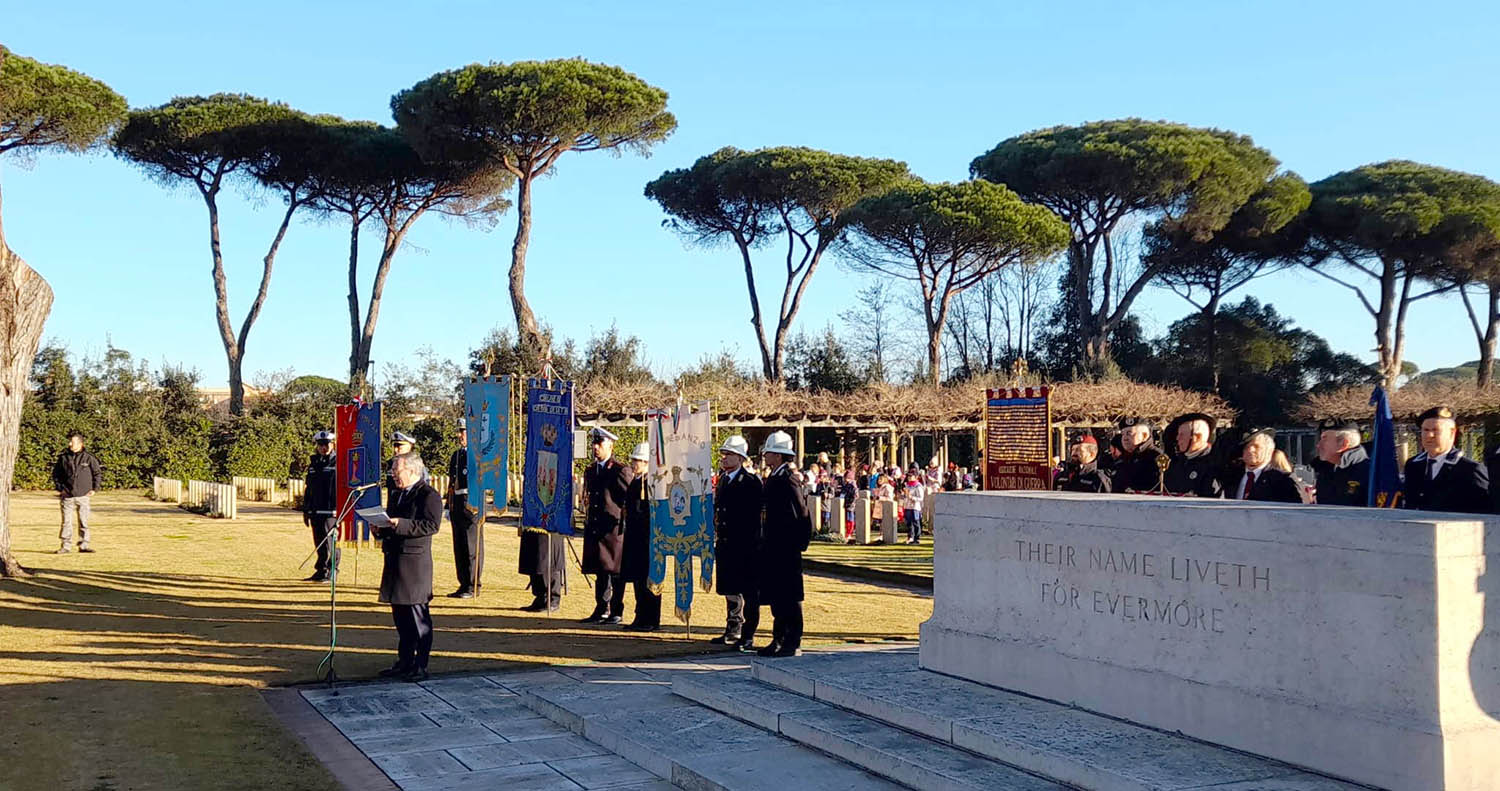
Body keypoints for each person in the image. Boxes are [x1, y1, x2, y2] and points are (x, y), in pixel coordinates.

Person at [376, 452, 442, 682]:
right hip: (395, 560)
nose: (394, 475)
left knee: (417, 618)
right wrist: (381, 528)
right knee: (401, 618)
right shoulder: (397, 493)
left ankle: (420, 665)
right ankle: (404, 662)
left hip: (415, 565)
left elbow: (431, 525)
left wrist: (400, 524)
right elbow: (392, 522)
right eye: (393, 471)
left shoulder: (428, 495)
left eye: (397, 471)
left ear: (413, 471)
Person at [757, 431, 811, 658]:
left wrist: (799, 543)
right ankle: (778, 637)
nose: (765, 455)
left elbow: (801, 512)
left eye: (769, 452)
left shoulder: (788, 478)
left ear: (778, 456)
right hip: (774, 545)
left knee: (789, 595)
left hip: (786, 546)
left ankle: (791, 639)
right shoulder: (775, 477)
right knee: (777, 594)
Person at [713, 435, 763, 650]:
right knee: (730, 588)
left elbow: (752, 517)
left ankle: (747, 633)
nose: (724, 458)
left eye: (729, 454)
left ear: (740, 458)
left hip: (745, 545)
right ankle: (732, 628)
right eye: (723, 454)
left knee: (748, 591)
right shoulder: (724, 479)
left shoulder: (750, 482)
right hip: (726, 543)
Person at [581, 426, 633, 624]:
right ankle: (601, 607)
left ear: (610, 445)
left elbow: (628, 497)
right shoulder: (591, 471)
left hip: (614, 530)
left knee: (616, 572)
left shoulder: (620, 471)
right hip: (596, 527)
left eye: (599, 443)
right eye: (594, 444)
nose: (595, 447)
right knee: (600, 571)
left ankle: (616, 610)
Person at [1403, 406, 1489, 514]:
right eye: (1426, 430)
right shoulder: (1413, 465)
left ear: (1452, 433)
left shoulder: (1470, 470)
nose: (1429, 435)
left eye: (1436, 430)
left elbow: (1485, 512)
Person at [620, 442, 660, 631]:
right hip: (635, 537)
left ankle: (651, 618)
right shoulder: (636, 482)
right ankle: (640, 615)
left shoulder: (653, 483)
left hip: (649, 539)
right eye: (633, 460)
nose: (634, 464)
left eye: (638, 461)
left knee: (649, 580)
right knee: (638, 579)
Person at [52, 431, 103, 554]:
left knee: (84, 521)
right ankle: (65, 546)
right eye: (70, 441)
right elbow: (56, 475)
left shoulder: (89, 458)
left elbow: (97, 474)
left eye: (73, 442)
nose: (70, 444)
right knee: (66, 522)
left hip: (84, 496)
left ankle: (84, 545)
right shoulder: (63, 458)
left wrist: (94, 489)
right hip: (67, 496)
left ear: (80, 444)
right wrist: (61, 489)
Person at [446, 419, 480, 598]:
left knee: (471, 546)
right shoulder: (457, 455)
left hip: (471, 502)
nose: (460, 436)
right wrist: (448, 505)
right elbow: (452, 482)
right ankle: (463, 583)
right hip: (457, 502)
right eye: (459, 431)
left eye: (463, 432)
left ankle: (473, 584)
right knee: (459, 545)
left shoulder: (478, 455)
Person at [301, 430, 338, 582]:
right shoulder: (314, 464)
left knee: (331, 543)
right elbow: (309, 489)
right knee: (319, 542)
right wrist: (306, 510)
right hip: (315, 509)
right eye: (320, 445)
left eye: (326, 444)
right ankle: (321, 570)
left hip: (331, 511)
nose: (323, 448)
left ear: (333, 444)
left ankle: (332, 570)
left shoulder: (338, 463)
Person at [1229, 428, 1302, 503]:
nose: (1250, 450)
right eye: (1246, 447)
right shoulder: (1231, 477)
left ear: (1269, 450)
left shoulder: (1282, 481)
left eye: (1257, 446)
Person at [1163, 413, 1223, 498]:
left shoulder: (1213, 465)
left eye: (1182, 435)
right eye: (1178, 434)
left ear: (1198, 437)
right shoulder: (1175, 463)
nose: (1177, 438)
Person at [1311, 418, 1369, 506]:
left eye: (1324, 439)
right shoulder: (1325, 470)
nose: (1318, 445)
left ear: (1343, 444)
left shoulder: (1371, 474)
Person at [1113, 418, 1165, 493]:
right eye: (1122, 434)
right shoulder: (1122, 459)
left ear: (1144, 435)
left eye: (1129, 433)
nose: (1124, 438)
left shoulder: (1157, 458)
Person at [386, 431, 418, 505]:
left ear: (410, 446)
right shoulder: (391, 464)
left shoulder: (416, 465)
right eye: (394, 446)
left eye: (399, 446)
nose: (395, 450)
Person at [901, 471, 926, 544]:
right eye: (908, 476)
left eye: (911, 476)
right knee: (909, 523)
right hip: (907, 506)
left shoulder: (918, 486)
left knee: (916, 522)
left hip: (915, 506)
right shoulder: (907, 485)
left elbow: (921, 498)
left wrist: (912, 497)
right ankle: (910, 537)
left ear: (915, 477)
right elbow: (905, 496)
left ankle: (917, 538)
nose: (909, 478)